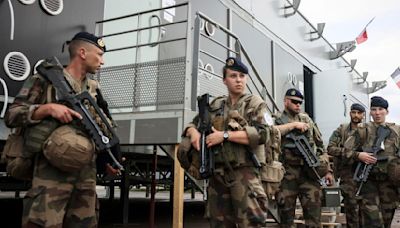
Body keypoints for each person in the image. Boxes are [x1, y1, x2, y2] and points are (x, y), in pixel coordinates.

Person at [4, 32, 111, 227]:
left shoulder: (94, 89)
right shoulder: (46, 79)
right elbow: (11, 115)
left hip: (85, 173)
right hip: (50, 173)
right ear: (82, 53)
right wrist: (46, 109)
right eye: (99, 54)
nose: (102, 61)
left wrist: (107, 159)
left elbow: (103, 127)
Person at [184, 57, 269, 227]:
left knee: (251, 223)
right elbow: (192, 124)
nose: (238, 80)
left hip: (244, 174)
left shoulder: (255, 104)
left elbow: (263, 134)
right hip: (217, 176)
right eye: (233, 76)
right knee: (218, 223)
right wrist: (193, 132)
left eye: (242, 76)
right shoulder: (215, 104)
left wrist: (224, 136)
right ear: (224, 80)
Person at [274, 88, 333, 227]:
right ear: (285, 101)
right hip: (287, 174)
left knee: (314, 216)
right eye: (294, 102)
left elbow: (320, 145)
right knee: (286, 217)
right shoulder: (277, 121)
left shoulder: (307, 120)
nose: (298, 105)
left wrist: (328, 170)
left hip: (309, 173)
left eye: (300, 102)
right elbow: (270, 139)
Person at [343, 96, 400, 227]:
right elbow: (346, 151)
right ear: (370, 112)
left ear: (387, 111)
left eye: (381, 109)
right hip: (368, 182)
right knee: (372, 221)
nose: (377, 113)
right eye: (374, 109)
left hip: (389, 183)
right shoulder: (362, 130)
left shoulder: (396, 131)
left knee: (387, 219)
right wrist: (359, 155)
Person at [327, 103, 366, 227]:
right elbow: (330, 149)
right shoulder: (342, 130)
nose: (356, 115)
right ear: (350, 113)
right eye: (353, 112)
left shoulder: (369, 130)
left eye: (359, 113)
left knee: (366, 211)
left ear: (363, 115)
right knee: (351, 209)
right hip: (347, 174)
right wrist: (354, 154)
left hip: (365, 174)